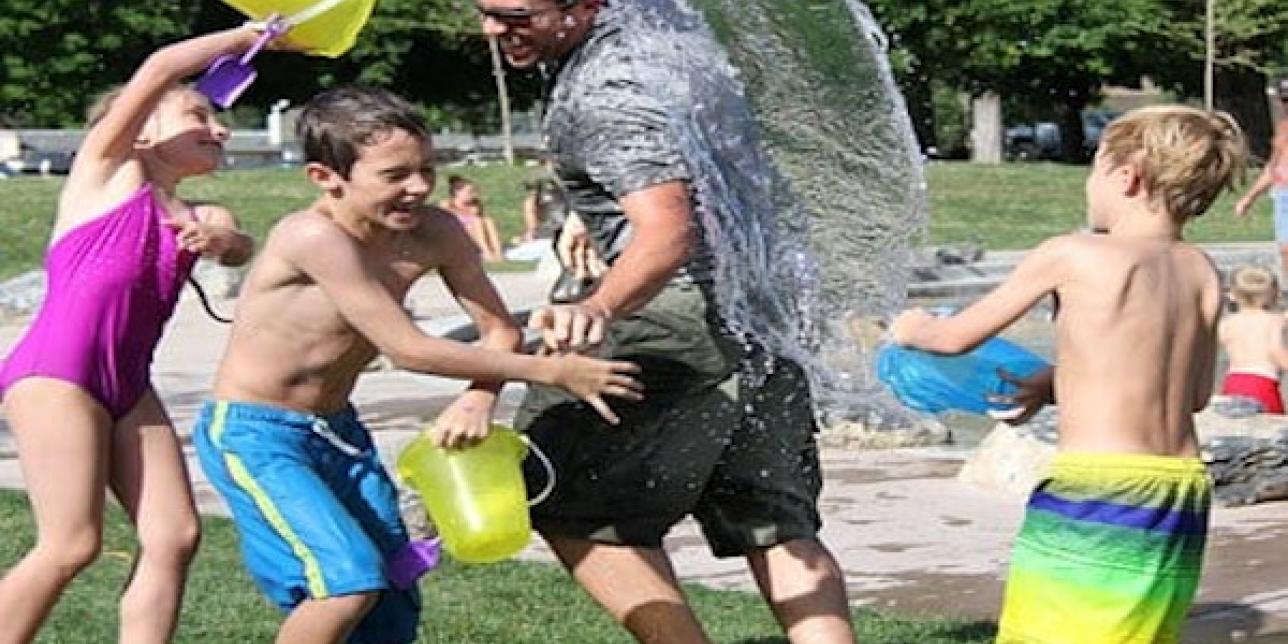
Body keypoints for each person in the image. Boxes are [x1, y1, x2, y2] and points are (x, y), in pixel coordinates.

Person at [191, 85, 642, 644]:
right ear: (325, 178)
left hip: (341, 433)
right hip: (258, 435)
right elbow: (406, 347)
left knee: (392, 594)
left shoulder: (437, 232)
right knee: (344, 583)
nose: (419, 187)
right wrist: (553, 372)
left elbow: (500, 329)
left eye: (427, 168)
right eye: (395, 175)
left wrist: (480, 396)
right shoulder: (311, 236)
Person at [476, 2, 855, 642]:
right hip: (765, 307)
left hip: (674, 313)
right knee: (773, 518)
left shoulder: (606, 90)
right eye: (483, 10)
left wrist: (596, 305)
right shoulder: (668, 31)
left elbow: (668, 231)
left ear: (585, 6)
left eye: (514, 13)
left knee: (558, 490)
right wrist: (589, 208)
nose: (492, 29)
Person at [891, 105, 1248, 643]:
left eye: (1093, 170)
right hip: (1181, 492)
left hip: (1100, 488)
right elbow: (1193, 395)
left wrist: (910, 329)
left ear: (1127, 177)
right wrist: (1058, 381)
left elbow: (953, 338)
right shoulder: (1201, 270)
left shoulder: (1072, 254)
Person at [0, 26, 261, 643]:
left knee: (174, 535)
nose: (219, 128)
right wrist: (253, 36)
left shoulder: (199, 215)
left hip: (127, 386)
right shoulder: (107, 172)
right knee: (71, 545)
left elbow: (236, 244)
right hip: (58, 375)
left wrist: (227, 243)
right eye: (199, 113)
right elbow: (159, 67)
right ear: (140, 129)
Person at [1234, 79, 1288, 279]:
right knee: (1285, 250)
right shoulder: (1283, 130)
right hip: (1285, 194)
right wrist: (1249, 198)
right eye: (1285, 99)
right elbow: (1273, 168)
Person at [1218, 265, 1288, 414]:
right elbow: (1276, 352)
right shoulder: (1273, 321)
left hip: (1233, 382)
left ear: (1232, 295)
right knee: (1271, 431)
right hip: (1262, 383)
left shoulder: (1227, 323)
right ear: (1274, 294)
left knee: (1237, 431)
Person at [439, 174, 504, 262]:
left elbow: (483, 223)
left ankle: (498, 254)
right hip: (457, 237)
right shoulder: (447, 205)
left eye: (474, 191)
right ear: (457, 192)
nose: (473, 194)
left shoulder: (475, 205)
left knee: (488, 221)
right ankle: (487, 253)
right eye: (469, 192)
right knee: (477, 222)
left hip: (475, 237)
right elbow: (445, 226)